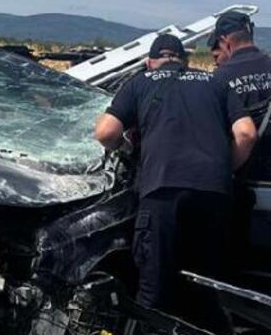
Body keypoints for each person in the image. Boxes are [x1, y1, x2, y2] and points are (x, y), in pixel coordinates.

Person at [94, 33, 257, 310]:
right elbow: (247, 133)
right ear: (185, 60)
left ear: (149, 63)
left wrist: (127, 148)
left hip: (162, 192)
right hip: (215, 195)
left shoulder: (140, 83)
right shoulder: (215, 81)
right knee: (206, 291)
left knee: (153, 292)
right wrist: (223, 168)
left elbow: (105, 133)